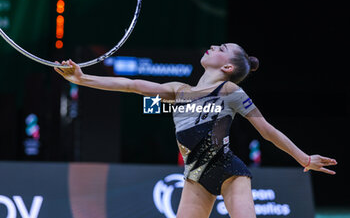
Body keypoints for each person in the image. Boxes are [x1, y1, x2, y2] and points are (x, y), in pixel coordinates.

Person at [55, 43, 337, 218]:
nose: (213, 46)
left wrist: (303, 158)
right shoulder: (179, 91)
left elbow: (266, 130)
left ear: (227, 67)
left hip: (229, 172)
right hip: (194, 177)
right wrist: (82, 79)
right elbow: (131, 85)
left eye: (221, 48)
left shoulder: (229, 90)